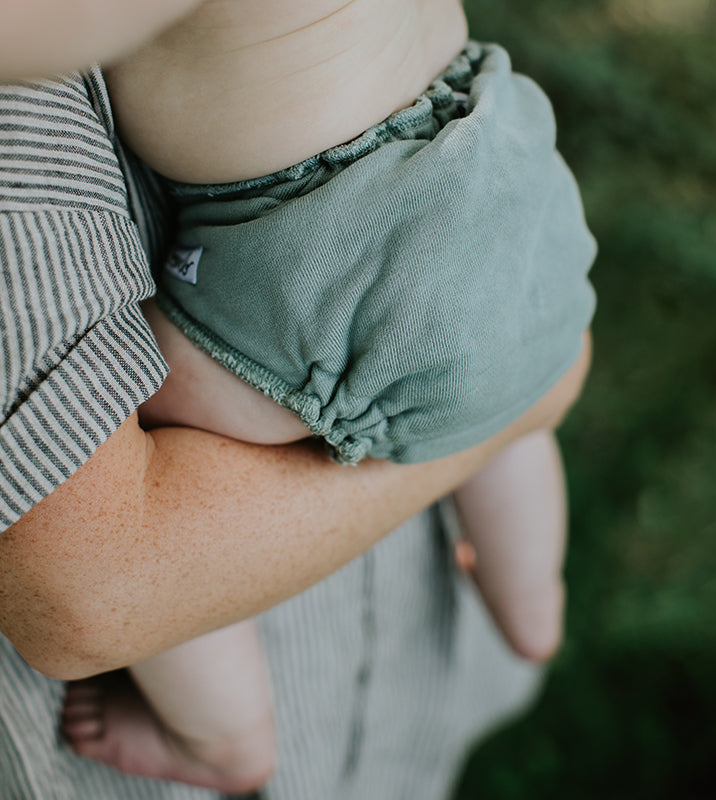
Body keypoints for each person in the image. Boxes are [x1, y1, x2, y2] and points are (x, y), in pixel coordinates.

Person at [0, 2, 593, 799]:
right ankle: (533, 604)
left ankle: (223, 737)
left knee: (144, 426)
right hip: (488, 143)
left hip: (331, 231)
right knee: (505, 391)